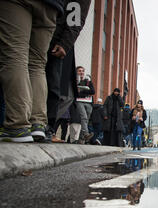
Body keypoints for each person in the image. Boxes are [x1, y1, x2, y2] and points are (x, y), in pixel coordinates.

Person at [0, 0, 63, 142]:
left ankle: (17, 125)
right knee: (37, 64)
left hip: (18, 3)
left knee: (15, 56)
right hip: (52, 6)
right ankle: (37, 124)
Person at [45, 0, 91, 143]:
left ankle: (46, 126)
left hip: (59, 41)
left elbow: (76, 14)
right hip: (50, 36)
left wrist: (65, 42)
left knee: (58, 89)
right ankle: (43, 126)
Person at [75, 66, 95, 143]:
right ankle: (86, 133)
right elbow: (76, 93)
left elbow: (93, 92)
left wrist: (82, 91)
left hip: (88, 102)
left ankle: (81, 138)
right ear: (76, 72)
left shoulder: (88, 81)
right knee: (84, 117)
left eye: (83, 71)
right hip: (79, 101)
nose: (81, 72)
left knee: (86, 120)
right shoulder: (75, 81)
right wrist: (86, 91)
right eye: (79, 71)